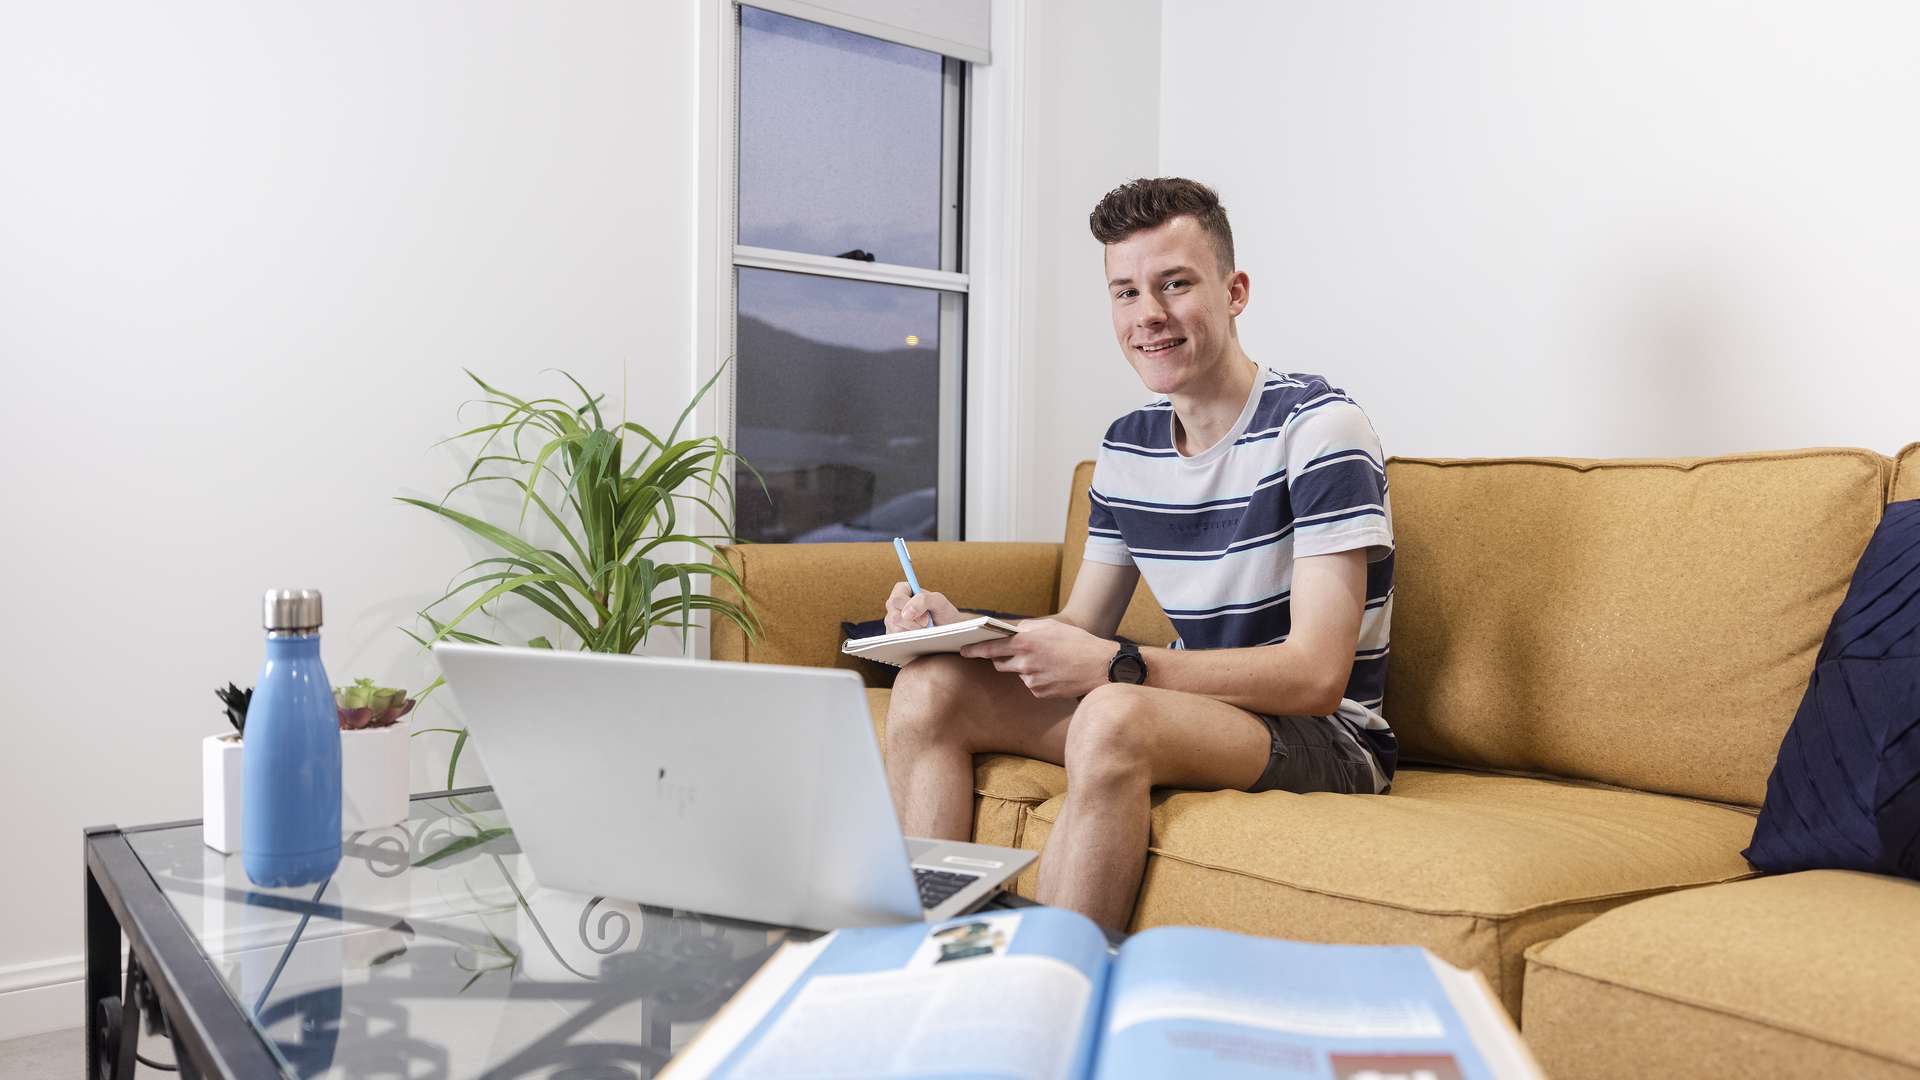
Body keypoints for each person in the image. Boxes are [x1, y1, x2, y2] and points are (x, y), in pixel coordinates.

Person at [881, 177, 1396, 933]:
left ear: (1234, 291)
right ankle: (923, 962)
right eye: (1125, 292)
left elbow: (1317, 676)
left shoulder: (1319, 430)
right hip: (1192, 708)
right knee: (930, 689)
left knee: (1114, 715)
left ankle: (1041, 996)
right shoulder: (1128, 445)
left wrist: (1121, 668)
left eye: (1175, 284)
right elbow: (1080, 623)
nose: (1148, 316)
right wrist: (966, 629)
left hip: (1331, 737)